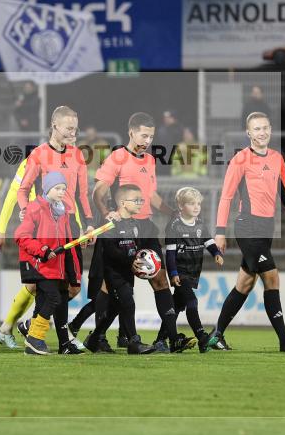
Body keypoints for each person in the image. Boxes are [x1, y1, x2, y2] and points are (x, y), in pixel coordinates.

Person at [204, 112, 285, 353]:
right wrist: (220, 232)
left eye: (265, 128)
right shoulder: (240, 159)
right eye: (257, 129)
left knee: (245, 284)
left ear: (271, 130)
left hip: (266, 230)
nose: (262, 132)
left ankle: (216, 335)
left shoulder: (277, 158)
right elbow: (226, 197)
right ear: (248, 133)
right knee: (272, 277)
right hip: (247, 227)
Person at [88, 112, 192, 354]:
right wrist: (106, 213)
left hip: (146, 227)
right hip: (122, 228)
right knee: (113, 287)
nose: (147, 140)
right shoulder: (118, 157)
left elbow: (151, 197)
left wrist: (170, 211)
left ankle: (171, 338)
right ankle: (100, 337)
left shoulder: (150, 160)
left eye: (151, 136)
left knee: (160, 278)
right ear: (131, 132)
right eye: (144, 135)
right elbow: (98, 191)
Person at [15, 106, 93, 352]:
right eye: (69, 128)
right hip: (48, 223)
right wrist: (27, 210)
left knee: (73, 285)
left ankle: (33, 323)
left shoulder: (78, 155)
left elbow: (82, 194)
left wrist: (88, 222)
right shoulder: (38, 154)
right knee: (56, 285)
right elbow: (23, 189)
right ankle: (62, 342)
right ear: (55, 126)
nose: (73, 132)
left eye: (76, 128)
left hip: (70, 223)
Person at [84, 184, 193, 354]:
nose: (141, 203)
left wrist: (140, 259)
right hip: (113, 272)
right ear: (122, 202)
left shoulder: (135, 224)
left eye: (142, 200)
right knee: (128, 302)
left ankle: (94, 338)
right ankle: (134, 342)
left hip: (128, 272)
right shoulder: (110, 223)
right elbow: (110, 250)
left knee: (114, 309)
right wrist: (130, 260)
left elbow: (134, 249)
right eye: (136, 200)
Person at [14, 171, 78, 355]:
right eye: (57, 188)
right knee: (53, 298)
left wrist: (70, 269)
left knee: (42, 301)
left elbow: (65, 240)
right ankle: (34, 338)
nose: (61, 192)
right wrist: (42, 251)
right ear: (47, 188)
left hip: (54, 266)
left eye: (63, 189)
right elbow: (21, 236)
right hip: (37, 263)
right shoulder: (35, 208)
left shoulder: (63, 210)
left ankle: (33, 342)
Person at [153, 187, 223, 351]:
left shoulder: (200, 224)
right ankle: (202, 337)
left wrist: (216, 253)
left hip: (193, 272)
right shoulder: (174, 226)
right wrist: (173, 273)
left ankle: (160, 340)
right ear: (180, 206)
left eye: (198, 203)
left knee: (177, 307)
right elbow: (170, 254)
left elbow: (209, 242)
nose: (196, 207)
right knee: (192, 301)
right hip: (181, 273)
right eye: (192, 203)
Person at [0, 156, 35, 349]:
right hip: (34, 230)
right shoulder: (32, 160)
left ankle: (12, 327)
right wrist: (1, 229)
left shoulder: (69, 159)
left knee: (47, 285)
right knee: (34, 284)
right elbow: (12, 194)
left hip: (56, 229)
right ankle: (11, 327)